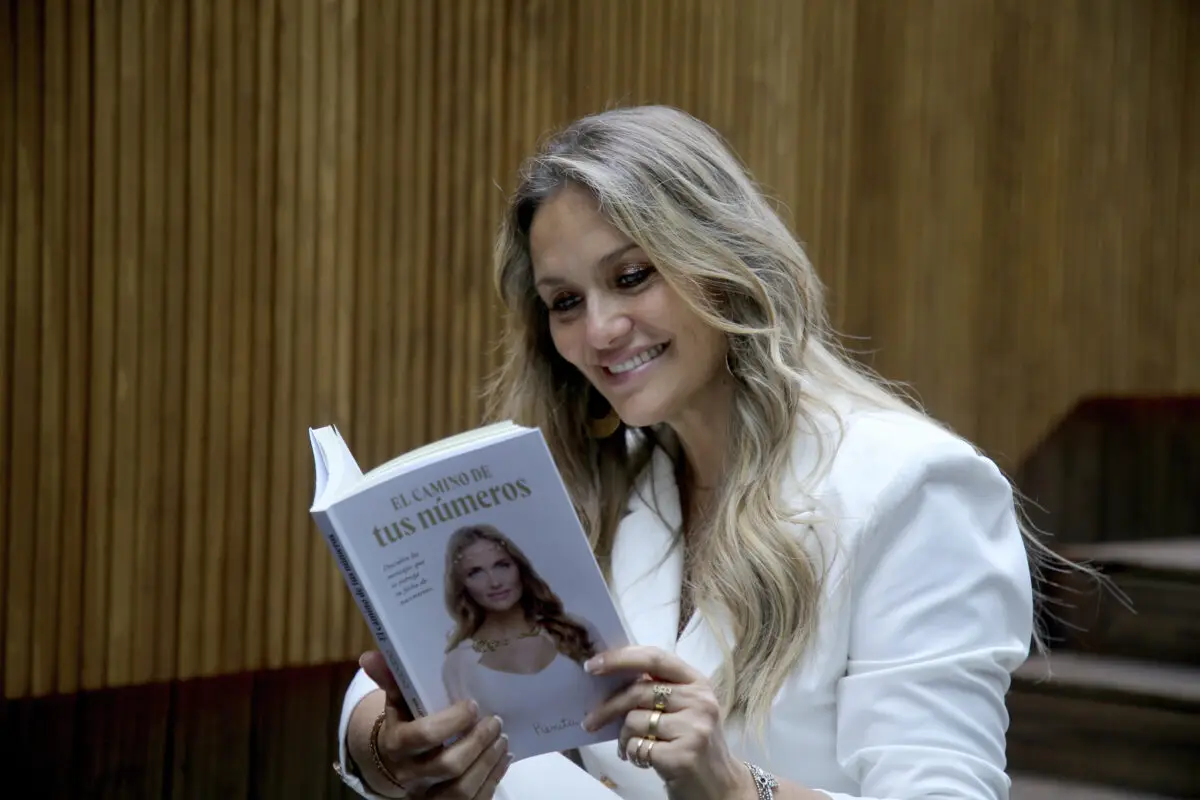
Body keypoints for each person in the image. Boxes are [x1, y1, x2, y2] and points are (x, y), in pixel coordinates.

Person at [334, 104, 1063, 800]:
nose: (600, 331)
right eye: (565, 302)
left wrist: (737, 787)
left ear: (720, 260)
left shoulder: (914, 487)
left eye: (631, 277)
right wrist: (389, 747)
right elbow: (393, 684)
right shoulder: (611, 469)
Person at [439, 524, 612, 737]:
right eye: (475, 573)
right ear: (461, 584)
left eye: (502, 565)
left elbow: (619, 700)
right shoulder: (459, 664)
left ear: (519, 567)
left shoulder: (575, 629)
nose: (495, 582)